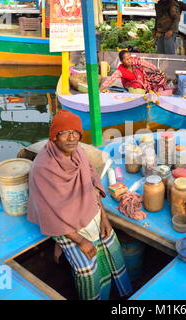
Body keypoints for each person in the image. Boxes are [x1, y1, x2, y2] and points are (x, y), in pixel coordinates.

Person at [27, 110, 132, 300]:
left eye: (75, 132)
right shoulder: (43, 168)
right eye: (65, 132)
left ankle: (122, 295)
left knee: (113, 249)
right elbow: (49, 213)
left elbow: (92, 183)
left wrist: (104, 219)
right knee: (87, 269)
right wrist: (80, 241)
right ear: (54, 136)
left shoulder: (78, 152)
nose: (72, 138)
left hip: (90, 213)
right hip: (64, 226)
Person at [99, 50, 169, 94]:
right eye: (127, 59)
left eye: (130, 57)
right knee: (137, 84)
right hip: (133, 85)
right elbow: (110, 80)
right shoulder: (120, 71)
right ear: (121, 61)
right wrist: (99, 90)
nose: (130, 60)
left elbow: (148, 65)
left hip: (145, 80)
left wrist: (158, 70)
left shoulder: (135, 60)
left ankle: (156, 91)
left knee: (161, 77)